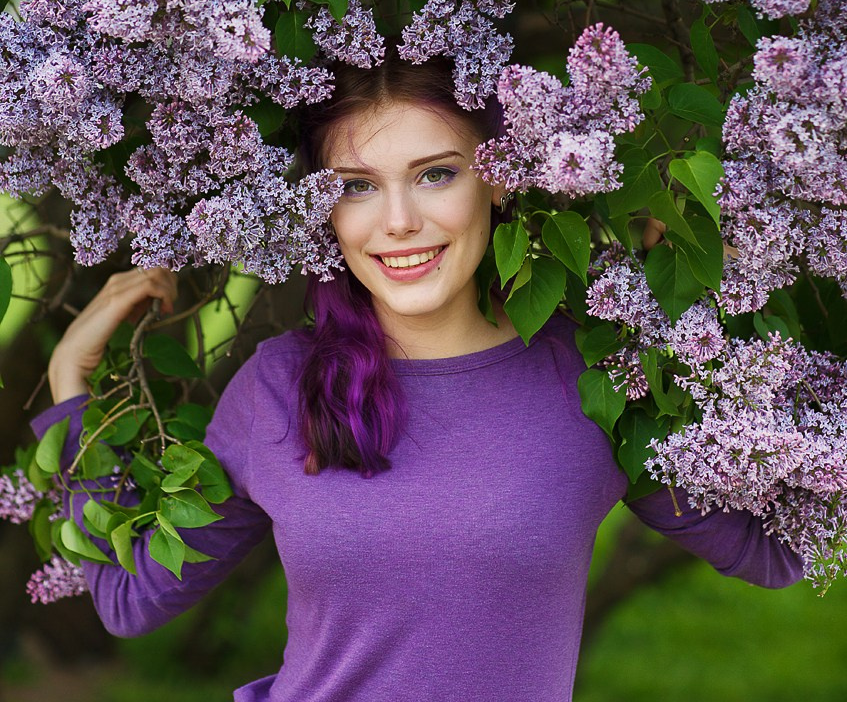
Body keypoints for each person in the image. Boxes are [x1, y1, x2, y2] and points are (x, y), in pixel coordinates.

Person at [35, 49, 803, 702]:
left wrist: (734, 303)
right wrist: (72, 389)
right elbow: (132, 598)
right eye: (356, 186)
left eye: (435, 174)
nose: (396, 220)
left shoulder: (596, 377)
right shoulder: (279, 385)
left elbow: (776, 551)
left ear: (496, 181)